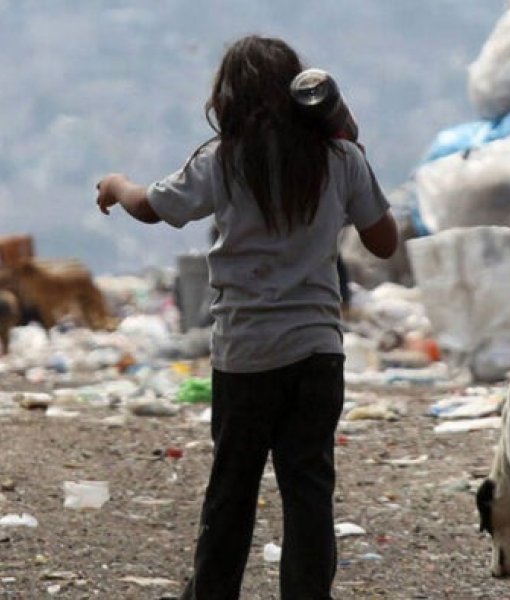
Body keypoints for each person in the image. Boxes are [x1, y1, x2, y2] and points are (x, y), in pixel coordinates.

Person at [95, 35, 398, 599]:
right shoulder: (340, 159)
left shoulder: (224, 158)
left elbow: (153, 207)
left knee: (231, 491)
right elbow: (384, 241)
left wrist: (115, 185)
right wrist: (348, 138)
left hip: (245, 354)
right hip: (316, 353)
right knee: (308, 491)